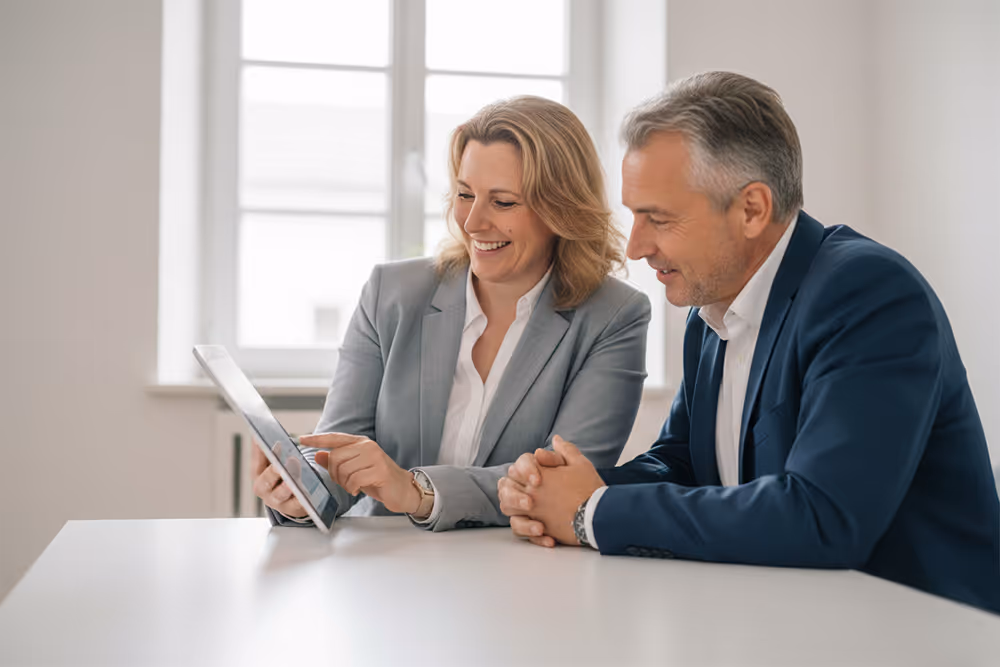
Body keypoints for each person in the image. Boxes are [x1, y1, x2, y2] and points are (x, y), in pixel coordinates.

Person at [498, 72, 1000, 613]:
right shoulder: (710, 308)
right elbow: (681, 463)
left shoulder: (869, 295)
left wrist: (591, 512)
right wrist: (562, 489)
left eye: (658, 218)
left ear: (752, 210)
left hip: (923, 630)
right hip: (786, 617)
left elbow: (823, 516)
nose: (637, 246)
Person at [252, 96, 651, 531]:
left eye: (503, 202)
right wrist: (302, 491)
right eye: (465, 194)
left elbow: (559, 487)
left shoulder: (615, 317)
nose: (473, 222)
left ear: (561, 209)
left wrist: (416, 491)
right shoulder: (392, 293)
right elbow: (340, 454)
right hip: (384, 568)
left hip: (522, 575)